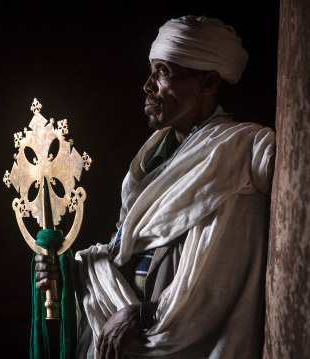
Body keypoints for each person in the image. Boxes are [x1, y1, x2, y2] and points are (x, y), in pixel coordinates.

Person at [35, 15, 275, 358]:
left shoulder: (235, 156)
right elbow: (124, 253)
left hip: (180, 344)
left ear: (207, 82)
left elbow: (219, 282)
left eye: (163, 72)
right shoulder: (150, 159)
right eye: (151, 70)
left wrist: (143, 315)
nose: (148, 85)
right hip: (118, 335)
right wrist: (70, 273)